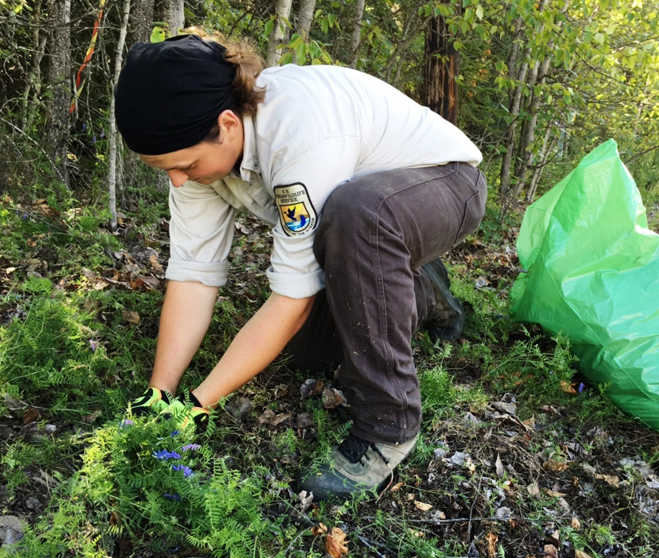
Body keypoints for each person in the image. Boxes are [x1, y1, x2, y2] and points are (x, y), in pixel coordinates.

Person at [115, 32, 486, 500]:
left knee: (358, 215)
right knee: (313, 352)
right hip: (366, 221)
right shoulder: (193, 150)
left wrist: (197, 406)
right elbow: (193, 274)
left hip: (447, 182)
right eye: (163, 168)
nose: (177, 179)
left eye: (185, 165)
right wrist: (160, 397)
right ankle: (419, 288)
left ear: (227, 124)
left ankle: (389, 428)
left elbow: (291, 294)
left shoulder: (299, 131)